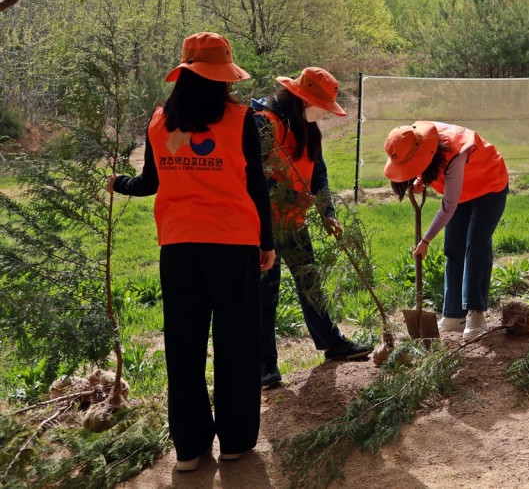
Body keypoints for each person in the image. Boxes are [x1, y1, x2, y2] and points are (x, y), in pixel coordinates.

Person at [107, 32, 276, 472]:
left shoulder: (160, 121)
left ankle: (188, 447)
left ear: (182, 72)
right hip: (233, 244)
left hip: (179, 247)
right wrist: (268, 243)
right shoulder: (241, 119)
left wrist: (114, 183)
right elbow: (256, 185)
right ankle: (235, 441)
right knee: (237, 344)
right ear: (223, 76)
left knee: (183, 346)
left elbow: (149, 184)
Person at [253, 67, 371, 388]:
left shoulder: (308, 128)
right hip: (262, 227)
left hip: (295, 223)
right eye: (321, 106)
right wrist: (291, 195)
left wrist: (327, 212)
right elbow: (254, 177)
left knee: (311, 286)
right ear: (302, 98)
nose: (325, 114)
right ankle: (265, 367)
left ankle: (332, 344)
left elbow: (318, 174)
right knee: (265, 295)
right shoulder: (263, 124)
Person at [383, 122, 509, 339]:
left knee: (476, 244)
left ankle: (475, 313)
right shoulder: (413, 140)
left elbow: (448, 206)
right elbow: (426, 162)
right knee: (453, 247)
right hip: (462, 189)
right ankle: (453, 315)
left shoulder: (456, 154)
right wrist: (419, 178)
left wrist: (426, 240)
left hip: (489, 184)